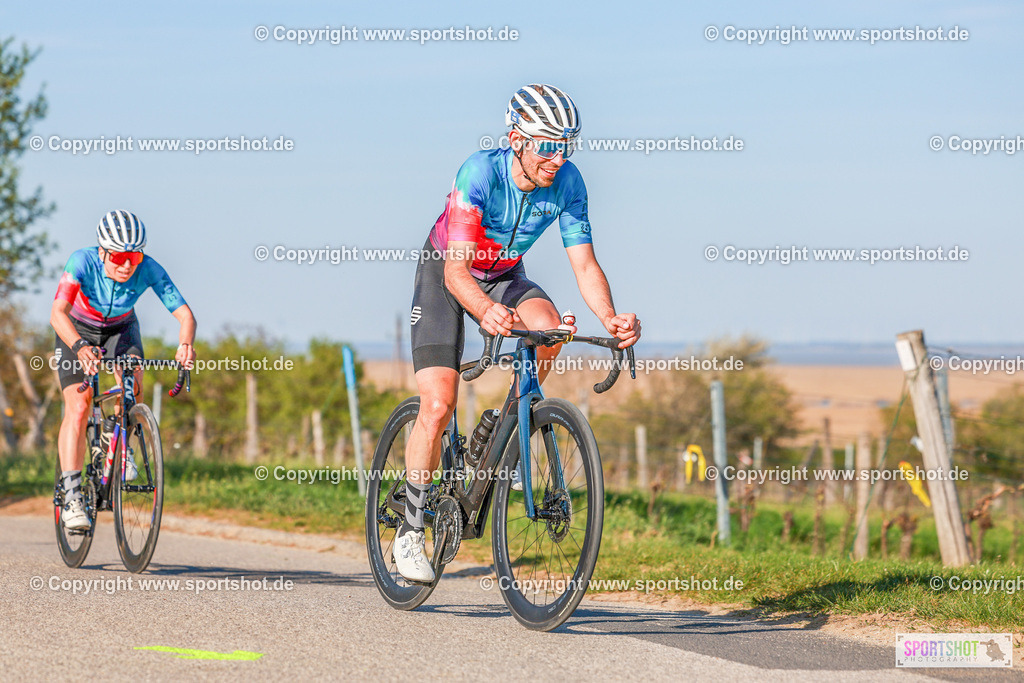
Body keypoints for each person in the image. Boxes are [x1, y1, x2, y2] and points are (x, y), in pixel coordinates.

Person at [398, 84, 641, 582]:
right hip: (449, 271)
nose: (558, 157)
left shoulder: (568, 183)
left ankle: (509, 418)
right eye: (547, 145)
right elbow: (457, 275)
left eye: (566, 145)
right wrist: (485, 310)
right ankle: (409, 525)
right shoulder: (479, 173)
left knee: (550, 329)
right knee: (439, 404)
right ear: (516, 140)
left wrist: (611, 317)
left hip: (506, 274)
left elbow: (586, 264)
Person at [51, 210, 196, 529]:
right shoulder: (81, 262)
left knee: (133, 390)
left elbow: (185, 315)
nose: (128, 264)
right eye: (119, 255)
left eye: (134, 255)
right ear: (102, 251)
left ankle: (115, 442)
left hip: (121, 329)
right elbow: (57, 313)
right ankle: (73, 496)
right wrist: (78, 347)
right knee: (79, 406)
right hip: (77, 329)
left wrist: (185, 344)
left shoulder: (148, 268)